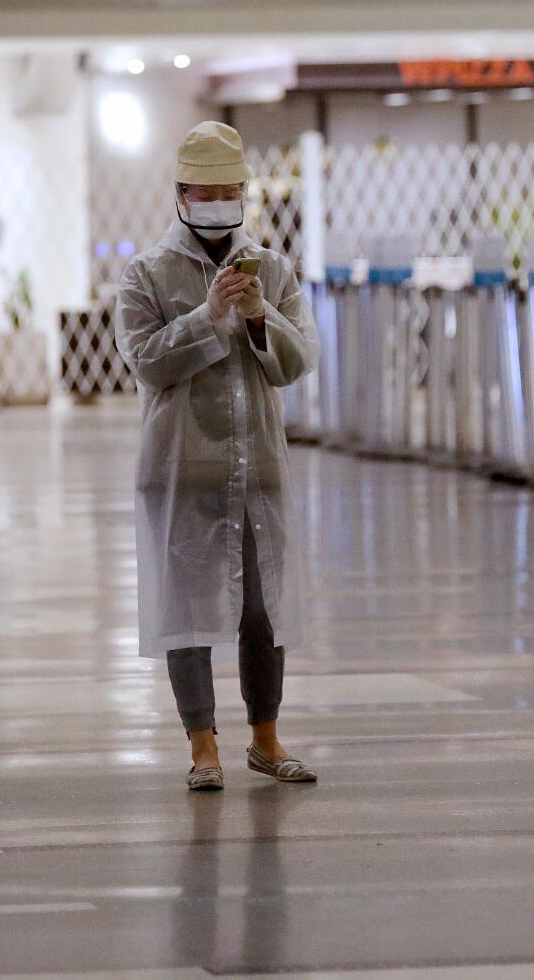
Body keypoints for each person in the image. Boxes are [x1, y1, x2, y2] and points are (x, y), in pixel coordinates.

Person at [115, 122, 321, 792]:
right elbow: (146, 362)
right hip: (179, 467)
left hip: (253, 467)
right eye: (205, 191)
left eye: (228, 191)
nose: (216, 201)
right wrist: (206, 317)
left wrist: (261, 318)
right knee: (188, 613)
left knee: (263, 609)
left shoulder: (275, 269)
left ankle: (265, 736)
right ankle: (203, 745)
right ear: (180, 194)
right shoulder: (146, 273)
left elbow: (297, 363)